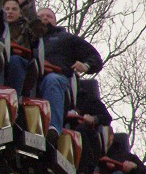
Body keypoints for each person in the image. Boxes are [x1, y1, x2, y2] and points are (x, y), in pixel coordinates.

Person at [36, 7, 103, 142]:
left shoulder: (66, 39)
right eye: (41, 16)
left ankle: (53, 129)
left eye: (49, 16)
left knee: (52, 80)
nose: (44, 18)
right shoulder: (28, 37)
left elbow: (95, 58)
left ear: (55, 21)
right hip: (31, 79)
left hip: (57, 82)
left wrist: (86, 66)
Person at [2, 0, 45, 98]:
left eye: (14, 9)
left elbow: (39, 31)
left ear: (20, 12)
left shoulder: (26, 26)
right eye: (7, 9)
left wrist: (26, 6)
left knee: (15, 61)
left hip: (20, 62)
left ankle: (13, 99)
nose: (10, 12)